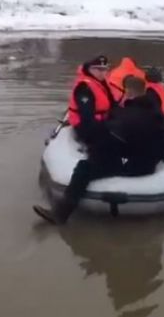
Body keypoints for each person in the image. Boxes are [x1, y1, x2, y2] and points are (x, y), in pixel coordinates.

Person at [33, 55, 123, 225]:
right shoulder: (85, 88)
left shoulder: (102, 84)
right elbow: (87, 119)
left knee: (96, 162)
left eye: (104, 69)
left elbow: (113, 106)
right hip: (90, 128)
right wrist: (108, 130)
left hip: (108, 129)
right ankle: (62, 212)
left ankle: (62, 213)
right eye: (98, 69)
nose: (102, 73)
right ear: (89, 70)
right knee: (97, 157)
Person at [110, 76, 164, 178]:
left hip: (132, 165)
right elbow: (161, 131)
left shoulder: (124, 114)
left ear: (127, 92)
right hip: (148, 164)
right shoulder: (152, 110)